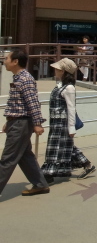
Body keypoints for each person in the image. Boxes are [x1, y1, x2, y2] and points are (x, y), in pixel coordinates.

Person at [0, 49, 51, 196]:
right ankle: (40, 184)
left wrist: (37, 123)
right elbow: (18, 104)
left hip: (21, 124)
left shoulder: (25, 79)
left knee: (7, 159)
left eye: (7, 59)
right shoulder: (18, 78)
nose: (4, 61)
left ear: (15, 61)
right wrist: (9, 120)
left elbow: (32, 103)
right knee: (25, 156)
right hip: (16, 122)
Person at [41, 58, 95, 183]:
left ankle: (48, 173)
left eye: (58, 69)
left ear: (64, 71)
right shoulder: (60, 85)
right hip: (56, 122)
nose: (55, 70)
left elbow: (71, 108)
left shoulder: (69, 88)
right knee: (66, 146)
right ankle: (87, 165)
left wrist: (72, 128)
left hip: (62, 123)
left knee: (54, 147)